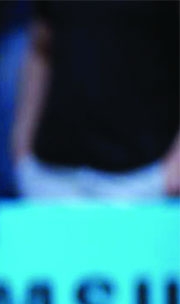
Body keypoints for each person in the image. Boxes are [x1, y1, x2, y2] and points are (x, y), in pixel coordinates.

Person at [12, 0, 180, 200]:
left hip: (142, 178)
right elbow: (42, 45)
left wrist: (175, 167)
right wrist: (22, 146)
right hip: (49, 175)